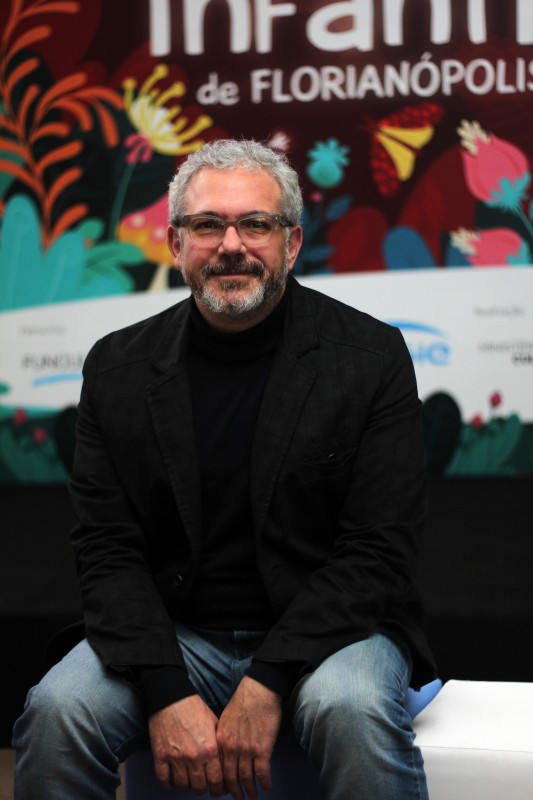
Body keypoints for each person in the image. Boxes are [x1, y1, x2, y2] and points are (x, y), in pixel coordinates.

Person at [13, 138, 436, 800]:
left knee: (349, 709)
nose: (231, 245)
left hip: (332, 637)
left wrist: (267, 680)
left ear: (291, 243)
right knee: (57, 713)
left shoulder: (369, 358)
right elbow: (107, 549)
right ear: (175, 243)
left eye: (255, 224)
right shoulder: (118, 368)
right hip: (175, 633)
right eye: (207, 224)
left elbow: (377, 553)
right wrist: (164, 689)